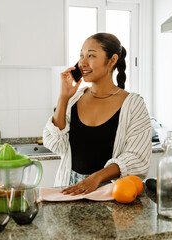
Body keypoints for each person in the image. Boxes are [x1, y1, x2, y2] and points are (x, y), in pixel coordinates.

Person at [43, 33, 152, 195]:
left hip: (111, 193)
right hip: (70, 190)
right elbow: (55, 144)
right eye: (81, 56)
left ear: (112, 60)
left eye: (91, 55)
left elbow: (137, 158)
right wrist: (63, 97)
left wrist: (97, 177)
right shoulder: (74, 99)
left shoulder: (133, 104)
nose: (83, 63)